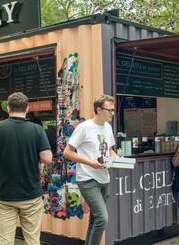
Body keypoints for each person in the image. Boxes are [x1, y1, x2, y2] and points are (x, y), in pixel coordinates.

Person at [0, 92, 53, 245]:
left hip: (4, 194)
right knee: (33, 240)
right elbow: (47, 158)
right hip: (31, 194)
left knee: (5, 241)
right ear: (27, 108)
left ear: (8, 108)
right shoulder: (37, 129)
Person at [63, 94, 117, 245]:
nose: (112, 113)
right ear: (99, 110)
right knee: (102, 218)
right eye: (110, 110)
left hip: (104, 178)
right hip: (87, 179)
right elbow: (67, 152)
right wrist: (90, 163)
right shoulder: (84, 127)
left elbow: (110, 150)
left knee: (95, 219)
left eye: (113, 110)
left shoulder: (108, 127)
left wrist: (118, 159)